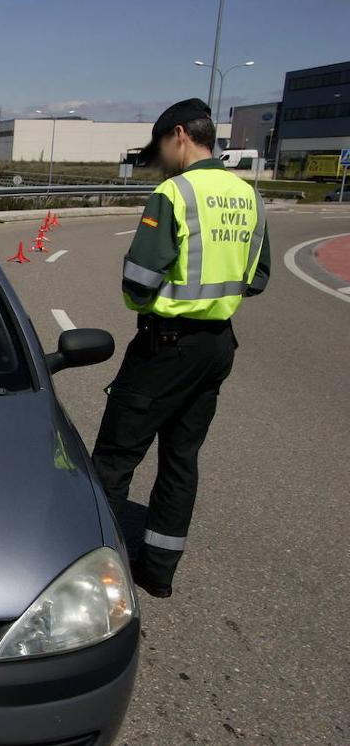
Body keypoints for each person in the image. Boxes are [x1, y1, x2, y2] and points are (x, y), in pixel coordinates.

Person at [91, 98, 269, 599]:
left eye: (162, 147)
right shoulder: (246, 195)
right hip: (216, 346)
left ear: (179, 136)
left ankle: (93, 571)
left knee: (113, 459)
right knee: (181, 458)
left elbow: (138, 283)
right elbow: (257, 279)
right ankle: (159, 570)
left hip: (165, 346)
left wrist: (155, 298)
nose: (161, 158)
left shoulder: (175, 193)